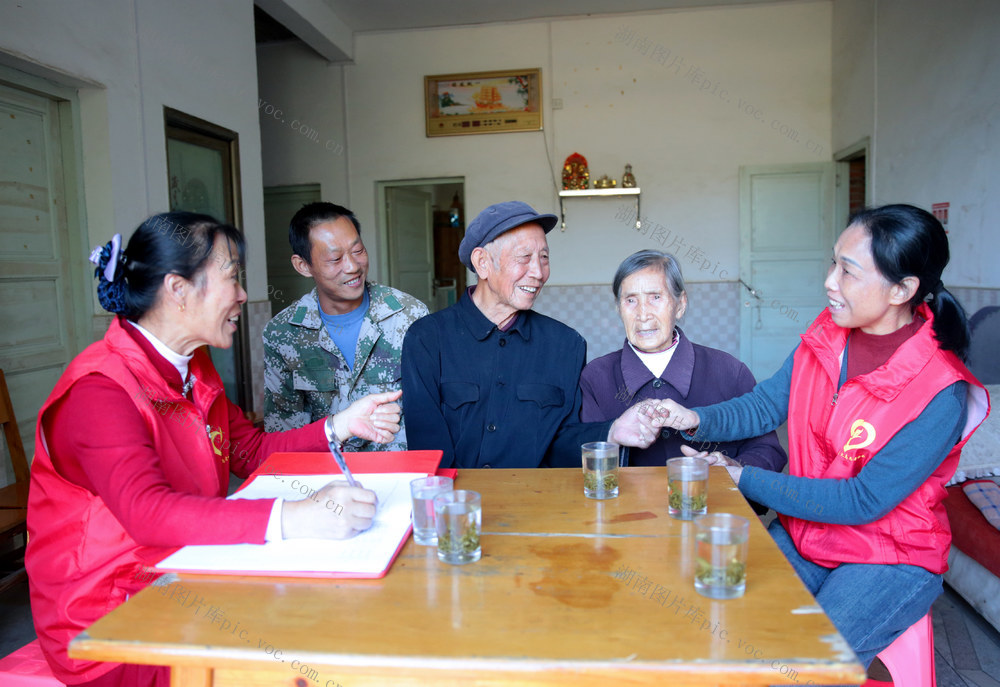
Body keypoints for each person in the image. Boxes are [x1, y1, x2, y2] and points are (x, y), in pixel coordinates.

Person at [26, 212, 402, 687]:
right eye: (231, 277)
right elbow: (147, 512)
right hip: (111, 622)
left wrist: (342, 425)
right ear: (178, 290)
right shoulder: (99, 391)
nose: (244, 295)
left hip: (184, 578)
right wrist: (298, 515)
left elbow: (249, 453)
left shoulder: (193, 366)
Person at [657, 204, 989, 677]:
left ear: (902, 289)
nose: (830, 281)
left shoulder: (940, 392)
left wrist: (742, 478)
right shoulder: (829, 333)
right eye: (833, 263)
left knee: (806, 666)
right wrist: (690, 418)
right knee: (719, 626)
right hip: (804, 532)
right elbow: (764, 405)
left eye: (848, 271)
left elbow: (863, 500)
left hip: (888, 557)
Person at [402, 200, 668, 469]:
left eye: (544, 257)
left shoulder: (566, 345)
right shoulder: (426, 340)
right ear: (482, 263)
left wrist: (612, 431)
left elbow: (562, 443)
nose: (539, 273)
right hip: (457, 506)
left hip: (536, 504)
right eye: (524, 258)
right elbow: (427, 447)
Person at [580, 250, 786, 482]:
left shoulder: (730, 371)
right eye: (631, 300)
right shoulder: (596, 377)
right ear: (619, 308)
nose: (643, 314)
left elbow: (769, 452)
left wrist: (734, 468)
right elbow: (580, 460)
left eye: (655, 297)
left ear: (680, 304)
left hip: (709, 513)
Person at [263, 202, 428, 449]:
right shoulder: (283, 334)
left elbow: (431, 411)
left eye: (358, 251)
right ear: (303, 265)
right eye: (335, 258)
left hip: (400, 472)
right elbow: (284, 430)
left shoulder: (409, 315)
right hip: (328, 478)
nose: (352, 267)